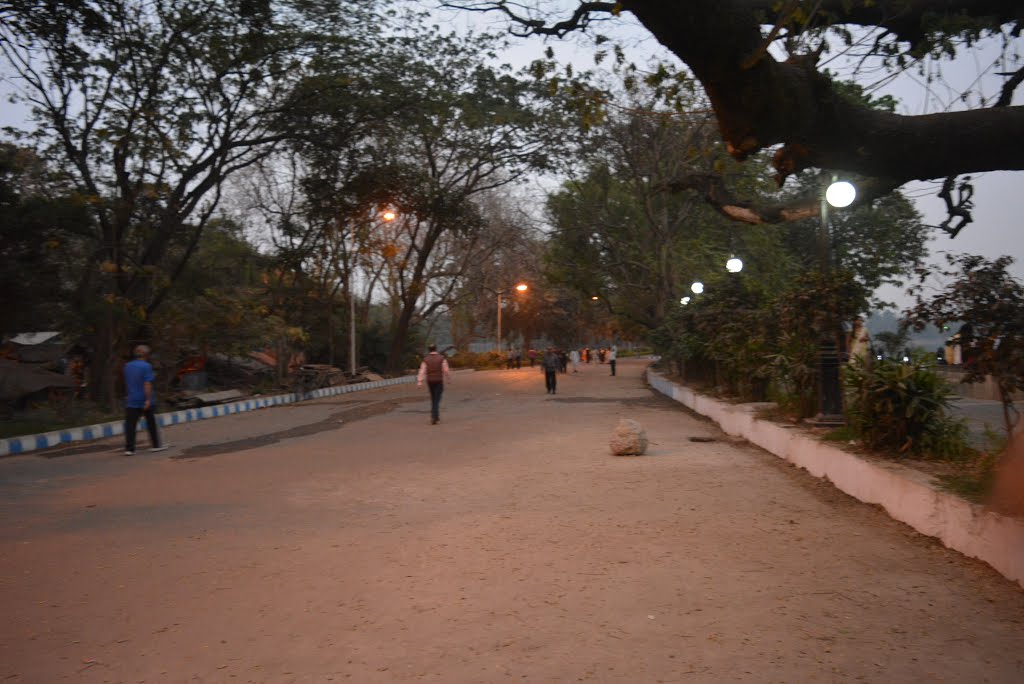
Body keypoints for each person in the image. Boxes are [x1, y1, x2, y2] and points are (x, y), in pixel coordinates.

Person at [123, 344, 167, 455]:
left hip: (132, 399)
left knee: (130, 425)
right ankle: (156, 445)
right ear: (147, 355)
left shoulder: (127, 366)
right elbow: (147, 383)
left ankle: (129, 449)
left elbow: (128, 382)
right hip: (145, 399)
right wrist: (147, 400)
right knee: (151, 422)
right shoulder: (146, 366)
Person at [417, 344, 451, 425]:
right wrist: (448, 379)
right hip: (439, 380)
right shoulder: (441, 358)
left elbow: (422, 371)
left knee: (433, 398)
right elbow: (446, 370)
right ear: (436, 349)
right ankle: (434, 416)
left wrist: (419, 381)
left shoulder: (425, 359)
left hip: (430, 381)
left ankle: (436, 416)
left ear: (429, 350)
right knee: (437, 399)